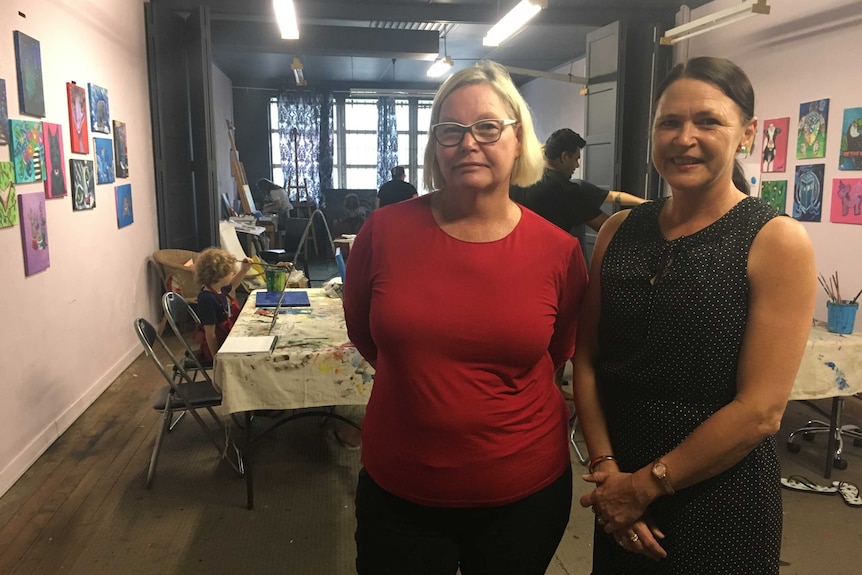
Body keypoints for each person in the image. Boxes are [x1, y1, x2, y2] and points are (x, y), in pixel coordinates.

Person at [343, 60, 589, 575]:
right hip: (400, 491)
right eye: (450, 131)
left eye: (487, 127)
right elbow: (367, 335)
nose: (468, 143)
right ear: (435, 147)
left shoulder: (558, 251)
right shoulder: (383, 232)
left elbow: (558, 352)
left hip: (522, 494)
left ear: (519, 140)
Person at [573, 57, 816, 574]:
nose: (685, 138)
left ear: (747, 133)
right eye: (669, 122)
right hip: (620, 483)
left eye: (708, 121)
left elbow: (760, 411)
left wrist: (643, 487)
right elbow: (588, 357)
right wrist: (607, 469)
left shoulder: (775, 240)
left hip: (720, 495)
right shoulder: (619, 230)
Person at [510, 128, 646, 235]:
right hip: (547, 260)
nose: (577, 165)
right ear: (564, 157)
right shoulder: (566, 191)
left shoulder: (519, 179)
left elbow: (612, 196)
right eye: (576, 159)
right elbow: (607, 227)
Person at [194, 248, 253, 364]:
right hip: (218, 347)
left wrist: (244, 270)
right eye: (230, 273)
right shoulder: (207, 299)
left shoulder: (218, 288)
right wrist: (217, 358)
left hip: (228, 338)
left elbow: (233, 285)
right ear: (219, 275)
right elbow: (210, 334)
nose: (232, 274)